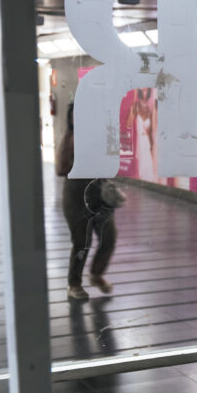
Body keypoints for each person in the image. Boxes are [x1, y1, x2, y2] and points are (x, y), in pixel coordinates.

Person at [56, 102, 117, 301]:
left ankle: (96, 274)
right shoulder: (69, 139)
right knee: (82, 242)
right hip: (76, 197)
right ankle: (74, 284)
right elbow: (61, 169)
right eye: (74, 116)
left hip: (98, 195)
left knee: (109, 236)